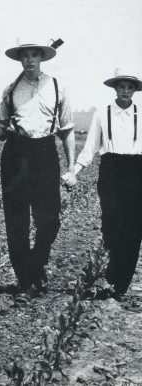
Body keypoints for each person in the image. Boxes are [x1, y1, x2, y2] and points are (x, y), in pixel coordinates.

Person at [0, 40, 75, 303]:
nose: (30, 60)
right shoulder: (11, 90)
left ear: (42, 58)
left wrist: (70, 167)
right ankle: (25, 281)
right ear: (20, 60)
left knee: (49, 220)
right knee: (17, 220)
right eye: (25, 56)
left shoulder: (57, 86)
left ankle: (37, 264)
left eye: (34, 55)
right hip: (16, 152)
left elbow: (66, 131)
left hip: (45, 150)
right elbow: (1, 132)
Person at [63, 68, 142, 300]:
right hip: (111, 171)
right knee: (111, 225)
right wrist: (74, 172)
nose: (126, 90)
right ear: (115, 88)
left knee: (133, 229)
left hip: (137, 171)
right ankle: (113, 272)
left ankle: (118, 283)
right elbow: (90, 149)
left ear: (135, 90)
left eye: (130, 86)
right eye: (122, 86)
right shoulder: (102, 114)